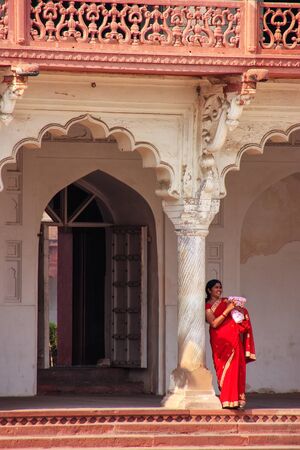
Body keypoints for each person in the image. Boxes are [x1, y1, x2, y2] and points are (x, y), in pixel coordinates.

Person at [205, 279, 256, 409]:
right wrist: (227, 310)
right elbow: (214, 323)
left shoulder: (227, 301)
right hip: (220, 340)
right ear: (209, 290)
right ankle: (227, 398)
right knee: (222, 368)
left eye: (220, 287)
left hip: (233, 338)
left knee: (236, 367)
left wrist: (240, 310)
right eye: (216, 287)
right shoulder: (207, 306)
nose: (219, 290)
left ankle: (235, 399)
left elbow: (239, 314)